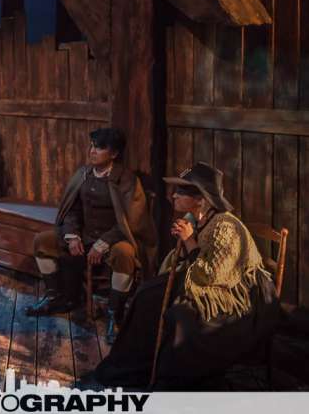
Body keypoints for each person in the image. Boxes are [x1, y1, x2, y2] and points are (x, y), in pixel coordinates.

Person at [95, 162, 280, 389]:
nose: (173, 196)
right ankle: (136, 367)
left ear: (201, 200)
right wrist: (183, 242)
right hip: (206, 282)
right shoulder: (197, 219)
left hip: (241, 298)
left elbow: (211, 275)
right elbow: (188, 262)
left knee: (181, 315)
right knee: (147, 294)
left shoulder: (226, 226)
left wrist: (189, 240)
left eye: (180, 192)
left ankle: (172, 381)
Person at [26, 128, 157, 342]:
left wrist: (103, 243)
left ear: (114, 153)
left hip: (115, 240)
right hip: (84, 237)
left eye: (99, 147)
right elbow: (72, 210)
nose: (92, 151)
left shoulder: (126, 180)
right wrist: (72, 236)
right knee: (42, 241)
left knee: (125, 254)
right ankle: (55, 297)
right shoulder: (83, 174)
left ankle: (115, 314)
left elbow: (131, 221)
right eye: (92, 146)